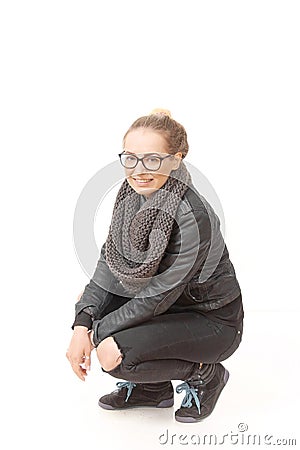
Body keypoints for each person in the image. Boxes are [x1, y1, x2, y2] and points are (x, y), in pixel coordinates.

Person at [66, 109, 244, 423]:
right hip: (169, 309)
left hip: (212, 322)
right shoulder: (130, 197)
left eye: (152, 159)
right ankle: (153, 390)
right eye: (131, 158)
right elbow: (108, 264)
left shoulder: (192, 215)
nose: (138, 170)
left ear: (176, 159)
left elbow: (156, 298)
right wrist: (82, 322)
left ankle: (206, 374)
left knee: (112, 352)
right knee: (92, 302)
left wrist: (94, 336)